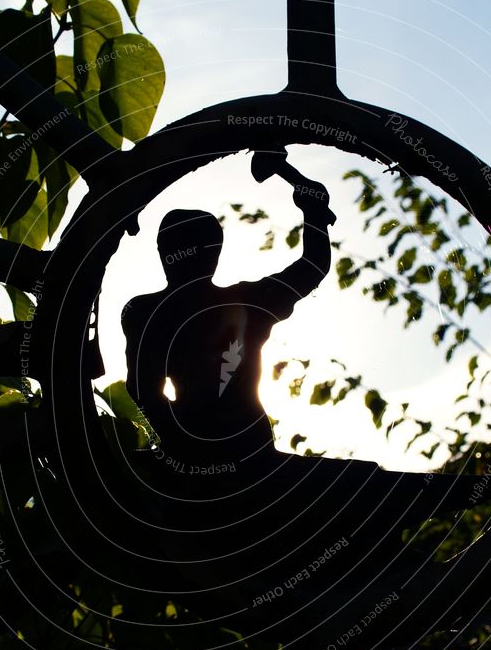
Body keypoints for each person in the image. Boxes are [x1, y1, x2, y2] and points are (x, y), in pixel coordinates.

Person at [123, 178, 335, 465]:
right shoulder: (248, 302)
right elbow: (312, 267)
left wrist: (180, 440)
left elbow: (142, 388)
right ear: (215, 253)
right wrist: (314, 214)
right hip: (245, 445)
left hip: (210, 444)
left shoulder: (144, 311)